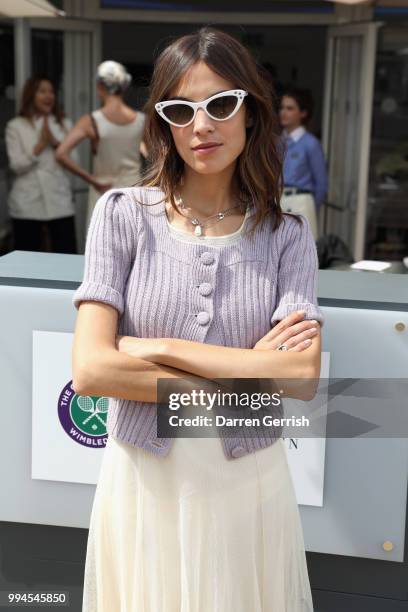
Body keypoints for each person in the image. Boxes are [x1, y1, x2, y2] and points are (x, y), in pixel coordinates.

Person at [72, 27, 324, 611]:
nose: (201, 125)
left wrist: (157, 346)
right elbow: (90, 370)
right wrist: (247, 379)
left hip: (248, 487)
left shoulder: (288, 237)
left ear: (251, 113)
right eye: (181, 109)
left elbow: (301, 376)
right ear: (162, 122)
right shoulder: (122, 216)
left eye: (220, 104)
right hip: (144, 482)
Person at [56, 60, 147, 231]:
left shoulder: (91, 121)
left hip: (103, 191)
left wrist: (91, 180)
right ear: (125, 86)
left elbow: (61, 153)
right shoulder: (141, 120)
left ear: (99, 86)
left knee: (101, 247)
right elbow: (153, 155)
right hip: (135, 190)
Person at [5, 77, 77, 253]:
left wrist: (54, 142)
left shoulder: (64, 124)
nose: (48, 96)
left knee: (66, 254)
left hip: (60, 201)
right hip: (27, 203)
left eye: (51, 91)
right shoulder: (16, 126)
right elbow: (16, 165)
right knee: (26, 257)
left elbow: (75, 163)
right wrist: (39, 146)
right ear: (31, 95)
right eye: (42, 91)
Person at [279, 88, 328, 239]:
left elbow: (321, 185)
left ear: (303, 113)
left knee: (302, 252)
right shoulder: (277, 143)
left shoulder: (310, 144)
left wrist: (309, 206)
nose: (283, 112)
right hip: (277, 201)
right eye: (281, 108)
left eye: (290, 108)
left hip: (301, 202)